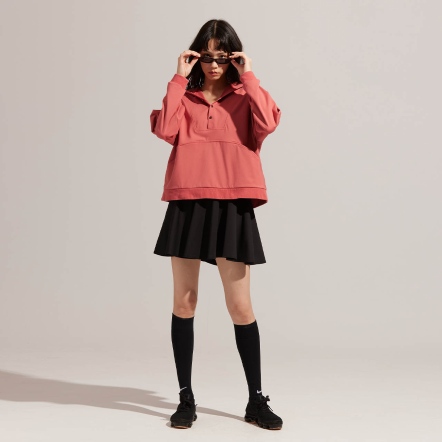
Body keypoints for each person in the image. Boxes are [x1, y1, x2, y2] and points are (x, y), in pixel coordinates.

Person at [149, 19, 282, 430]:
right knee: (184, 302)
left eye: (221, 57)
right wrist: (177, 77)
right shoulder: (184, 96)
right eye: (205, 56)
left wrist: (249, 75)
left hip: (233, 204)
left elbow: (269, 123)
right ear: (196, 57)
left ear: (233, 58)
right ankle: (185, 397)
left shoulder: (246, 97)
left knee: (240, 306)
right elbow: (165, 129)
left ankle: (255, 400)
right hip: (188, 202)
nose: (212, 65)